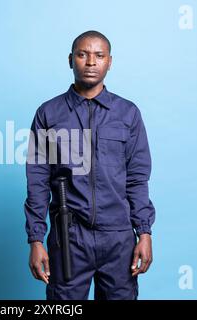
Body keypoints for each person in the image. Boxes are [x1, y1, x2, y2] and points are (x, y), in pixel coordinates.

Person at [24, 30, 155, 300]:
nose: (91, 62)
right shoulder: (49, 113)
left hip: (118, 238)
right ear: (71, 60)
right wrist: (36, 239)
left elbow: (137, 178)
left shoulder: (128, 113)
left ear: (110, 61)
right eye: (83, 55)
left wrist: (144, 232)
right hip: (69, 238)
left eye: (99, 55)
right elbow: (37, 180)